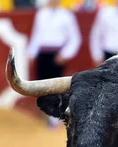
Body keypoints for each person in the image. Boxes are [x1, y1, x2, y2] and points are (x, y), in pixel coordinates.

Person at [27, 0, 82, 128]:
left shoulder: (67, 15)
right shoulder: (42, 14)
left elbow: (75, 38)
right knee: (42, 85)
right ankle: (48, 115)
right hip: (43, 53)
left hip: (57, 53)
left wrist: (65, 54)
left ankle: (54, 117)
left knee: (56, 87)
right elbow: (37, 35)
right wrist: (32, 52)